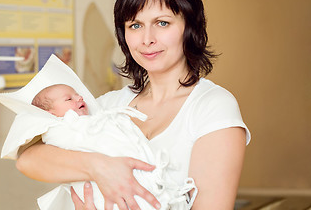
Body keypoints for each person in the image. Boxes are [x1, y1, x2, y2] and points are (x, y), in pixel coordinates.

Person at [16, 0, 251, 209]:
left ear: (189, 27)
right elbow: (28, 159)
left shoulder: (212, 105)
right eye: (135, 25)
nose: (147, 39)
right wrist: (100, 167)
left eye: (162, 23)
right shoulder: (110, 105)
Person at [29, 83, 196, 209]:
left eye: (77, 94)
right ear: (51, 115)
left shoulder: (100, 112)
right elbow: (26, 160)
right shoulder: (61, 131)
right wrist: (96, 165)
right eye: (69, 99)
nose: (79, 98)